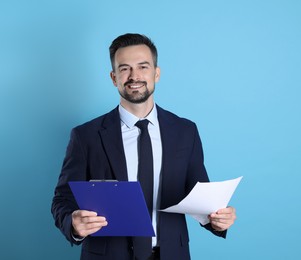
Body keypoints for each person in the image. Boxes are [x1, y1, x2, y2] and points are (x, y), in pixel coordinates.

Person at [51, 33, 237, 260]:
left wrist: (218, 220)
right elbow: (62, 200)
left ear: (156, 73)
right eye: (125, 69)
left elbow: (202, 199)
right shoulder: (86, 136)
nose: (134, 76)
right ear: (114, 77)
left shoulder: (185, 131)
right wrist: (73, 225)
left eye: (143, 67)